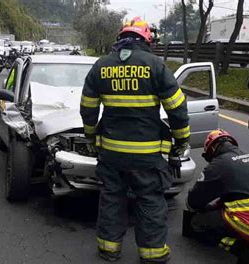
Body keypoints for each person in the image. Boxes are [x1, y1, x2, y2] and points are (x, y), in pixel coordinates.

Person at [80, 17, 190, 263]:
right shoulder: (155, 65)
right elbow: (177, 110)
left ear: (121, 37)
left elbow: (87, 108)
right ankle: (152, 254)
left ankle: (109, 249)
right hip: (147, 156)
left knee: (111, 199)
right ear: (146, 39)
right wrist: (181, 141)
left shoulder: (101, 66)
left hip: (111, 153)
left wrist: (90, 137)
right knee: (150, 200)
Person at [184, 129, 249, 263]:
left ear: (213, 149)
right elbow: (240, 193)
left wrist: (204, 209)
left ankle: (242, 248)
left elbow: (193, 202)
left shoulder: (219, 164)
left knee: (197, 223)